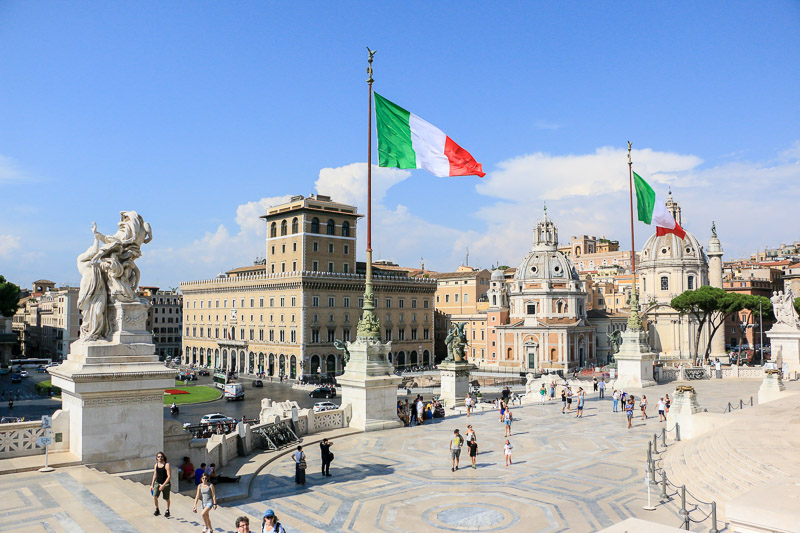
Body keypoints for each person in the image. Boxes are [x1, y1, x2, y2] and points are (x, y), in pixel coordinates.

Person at [150, 451, 172, 517]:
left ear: (163, 457)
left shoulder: (166, 465)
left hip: (165, 484)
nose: (160, 458)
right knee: (155, 496)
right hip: (157, 482)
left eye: (161, 456)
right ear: (157, 458)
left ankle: (167, 510)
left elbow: (169, 476)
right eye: (158, 457)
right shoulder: (156, 465)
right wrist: (152, 484)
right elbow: (155, 475)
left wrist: (163, 485)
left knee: (166, 498)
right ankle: (157, 509)